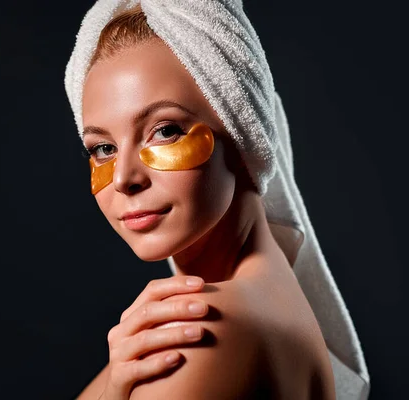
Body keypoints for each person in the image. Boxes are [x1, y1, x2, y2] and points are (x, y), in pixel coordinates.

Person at [64, 1, 370, 399]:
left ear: (246, 135)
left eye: (165, 130)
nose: (123, 178)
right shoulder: (267, 299)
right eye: (103, 148)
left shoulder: (199, 336)